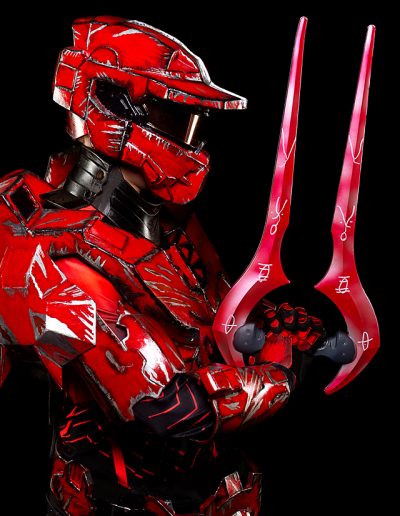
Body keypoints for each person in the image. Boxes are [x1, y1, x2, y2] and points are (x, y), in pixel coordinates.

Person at [0, 16, 335, 515]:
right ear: (111, 106)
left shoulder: (168, 227)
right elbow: (171, 408)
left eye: (193, 124)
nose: (190, 143)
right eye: (174, 119)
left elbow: (220, 324)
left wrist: (270, 329)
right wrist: (282, 372)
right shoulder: (48, 251)